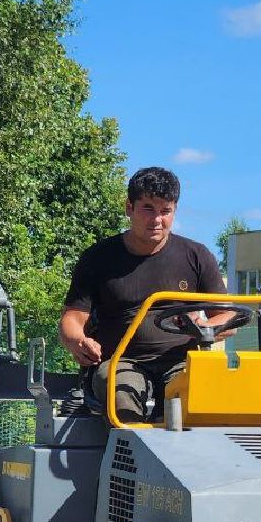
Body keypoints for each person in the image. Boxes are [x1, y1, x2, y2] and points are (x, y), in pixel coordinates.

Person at [59, 167, 230, 423]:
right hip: (122, 362)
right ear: (129, 208)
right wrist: (78, 341)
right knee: (122, 398)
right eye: (148, 209)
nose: (157, 220)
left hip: (181, 362)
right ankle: (132, 458)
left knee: (201, 397)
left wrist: (205, 327)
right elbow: (72, 319)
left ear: (174, 212)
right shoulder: (98, 258)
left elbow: (227, 315)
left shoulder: (196, 255)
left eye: (165, 211)